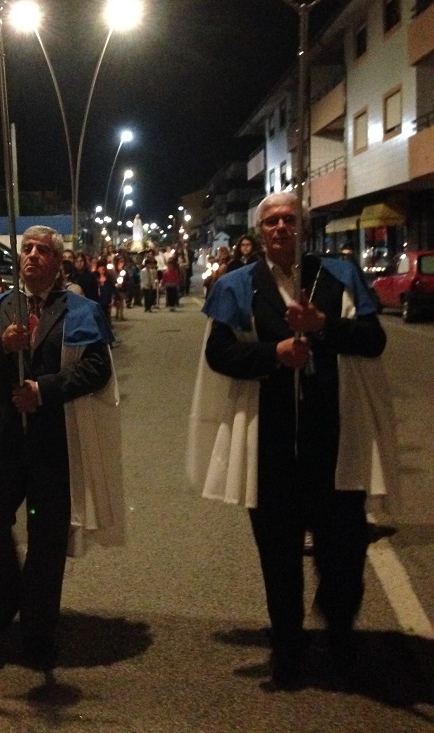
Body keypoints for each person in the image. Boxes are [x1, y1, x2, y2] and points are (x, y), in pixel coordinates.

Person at [187, 193, 399, 690]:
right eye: (272, 221)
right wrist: (274, 353)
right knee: (279, 557)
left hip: (335, 440)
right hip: (270, 443)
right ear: (260, 231)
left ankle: (340, 632)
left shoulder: (340, 276)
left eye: (289, 220)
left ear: (303, 228)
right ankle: (287, 647)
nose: (281, 228)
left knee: (343, 553)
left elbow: (373, 340)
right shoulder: (237, 285)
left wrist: (323, 326)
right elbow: (219, 354)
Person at [0, 225, 124, 671]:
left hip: (55, 438)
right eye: (26, 248)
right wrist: (2, 348)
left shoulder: (80, 310)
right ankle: (10, 595)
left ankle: (39, 630)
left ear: (58, 261)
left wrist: (43, 390)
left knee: (47, 537)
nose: (31, 255)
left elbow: (97, 371)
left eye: (42, 250)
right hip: (4, 436)